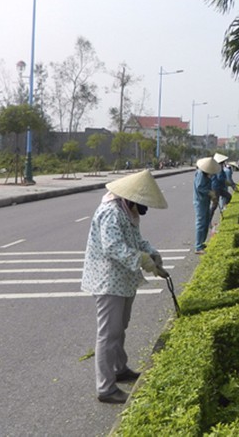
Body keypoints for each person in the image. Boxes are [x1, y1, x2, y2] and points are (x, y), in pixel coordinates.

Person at [80, 170, 170, 404]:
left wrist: (153, 254)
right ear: (132, 197)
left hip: (123, 280)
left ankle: (119, 369)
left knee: (120, 328)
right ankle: (105, 388)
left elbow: (136, 240)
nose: (144, 208)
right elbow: (113, 247)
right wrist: (143, 260)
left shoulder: (125, 210)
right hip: (108, 281)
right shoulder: (111, 212)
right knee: (108, 334)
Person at [194, 156, 221, 255]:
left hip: (205, 200)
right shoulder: (201, 174)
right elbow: (200, 188)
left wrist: (211, 194)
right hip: (200, 201)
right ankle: (198, 246)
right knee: (201, 223)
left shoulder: (206, 175)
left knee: (205, 221)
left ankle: (202, 243)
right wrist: (210, 193)